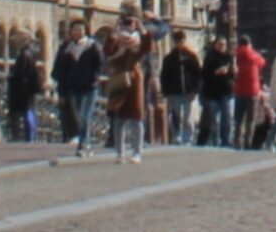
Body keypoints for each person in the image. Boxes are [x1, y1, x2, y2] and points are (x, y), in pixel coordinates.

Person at [104, 16, 155, 164]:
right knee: (118, 117)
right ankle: (120, 153)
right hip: (119, 78)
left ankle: (137, 152)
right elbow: (108, 51)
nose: (129, 26)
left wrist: (142, 28)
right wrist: (115, 31)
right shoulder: (116, 40)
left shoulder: (138, 41)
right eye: (126, 23)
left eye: (132, 23)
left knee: (136, 116)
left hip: (134, 79)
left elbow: (148, 46)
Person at [52, 20, 103, 154]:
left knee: (85, 116)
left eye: (80, 29)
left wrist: (94, 76)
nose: (77, 32)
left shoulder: (92, 46)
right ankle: (84, 142)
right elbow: (60, 72)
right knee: (78, 118)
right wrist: (61, 93)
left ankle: (84, 144)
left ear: (85, 30)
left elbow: (100, 64)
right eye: (75, 29)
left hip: (90, 87)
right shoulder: (67, 49)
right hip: (74, 88)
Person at [159, 29, 204, 146]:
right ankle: (177, 136)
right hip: (174, 92)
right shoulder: (169, 58)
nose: (180, 43)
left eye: (182, 40)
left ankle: (187, 139)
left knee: (188, 117)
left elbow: (199, 74)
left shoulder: (191, 56)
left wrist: (195, 90)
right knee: (175, 115)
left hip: (189, 91)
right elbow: (164, 76)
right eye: (177, 40)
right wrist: (166, 93)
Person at [199, 36, 235, 147]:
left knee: (226, 118)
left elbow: (232, 75)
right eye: (219, 44)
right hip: (211, 92)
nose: (221, 47)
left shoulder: (229, 57)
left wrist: (231, 72)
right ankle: (215, 140)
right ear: (215, 45)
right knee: (213, 119)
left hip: (225, 91)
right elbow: (204, 74)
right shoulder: (210, 57)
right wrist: (215, 72)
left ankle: (225, 140)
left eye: (224, 44)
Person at [7, 36, 42, 143]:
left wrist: (12, 78)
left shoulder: (24, 56)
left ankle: (29, 136)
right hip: (27, 89)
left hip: (23, 90)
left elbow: (21, 73)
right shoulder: (29, 55)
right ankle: (31, 136)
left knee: (26, 112)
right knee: (29, 111)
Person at [233, 35, 266, 149]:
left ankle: (237, 141)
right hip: (252, 91)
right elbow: (262, 62)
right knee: (250, 119)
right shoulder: (253, 54)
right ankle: (248, 142)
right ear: (249, 44)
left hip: (239, 90)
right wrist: (252, 50)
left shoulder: (236, 54)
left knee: (238, 118)